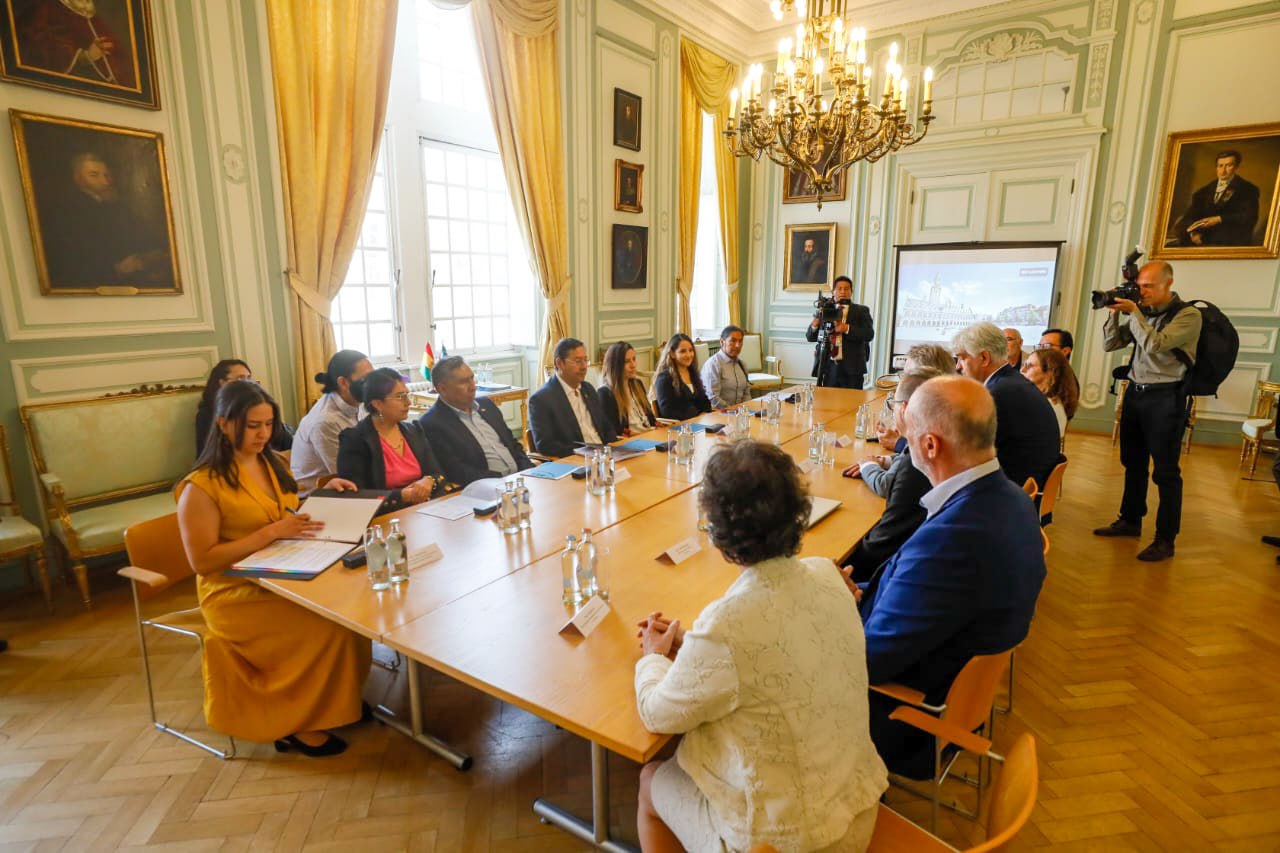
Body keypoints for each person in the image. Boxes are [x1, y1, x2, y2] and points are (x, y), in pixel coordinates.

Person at [635, 441, 887, 853]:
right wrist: (691, 645)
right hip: (857, 812)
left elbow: (658, 714)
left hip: (788, 844)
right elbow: (773, 649)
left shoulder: (728, 624)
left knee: (650, 779)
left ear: (718, 532)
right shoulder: (827, 574)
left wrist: (651, 657)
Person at [851, 376, 1046, 779]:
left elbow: (867, 662)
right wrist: (855, 592)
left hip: (903, 717)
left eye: (909, 431)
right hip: (953, 686)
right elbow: (923, 598)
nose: (903, 440)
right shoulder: (1012, 500)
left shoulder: (954, 539)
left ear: (930, 445)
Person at [175, 381, 371, 757]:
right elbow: (202, 561)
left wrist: (326, 488)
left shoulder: (268, 461)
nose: (263, 434)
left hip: (279, 571)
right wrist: (271, 533)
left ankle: (335, 703)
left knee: (348, 611)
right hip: (233, 592)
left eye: (268, 424)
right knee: (321, 625)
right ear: (223, 423)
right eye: (252, 425)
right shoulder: (200, 487)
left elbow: (286, 505)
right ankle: (297, 723)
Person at [1095, 261, 1202, 562]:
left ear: (1168, 283)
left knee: (1166, 472)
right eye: (1139, 286)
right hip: (1136, 393)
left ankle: (1165, 539)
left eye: (1148, 286)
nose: (1142, 291)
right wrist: (1116, 314)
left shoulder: (1188, 315)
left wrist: (1134, 313)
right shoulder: (1143, 314)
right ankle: (1130, 520)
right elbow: (1109, 345)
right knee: (1133, 462)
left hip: (1165, 397)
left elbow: (1156, 345)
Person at [843, 368, 940, 582]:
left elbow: (881, 545)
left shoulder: (918, 463)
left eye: (892, 405)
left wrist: (840, 566)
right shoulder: (929, 444)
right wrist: (884, 461)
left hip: (886, 575)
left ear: (904, 409)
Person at [951, 322, 1060, 491]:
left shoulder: (997, 393)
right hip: (1027, 486)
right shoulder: (1011, 382)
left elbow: (963, 453)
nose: (958, 366)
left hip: (1009, 494)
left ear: (984, 358)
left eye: (962, 357)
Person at [45, 151, 172, 288]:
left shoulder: (114, 206)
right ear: (77, 178)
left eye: (107, 175)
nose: (105, 181)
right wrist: (118, 269)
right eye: (94, 175)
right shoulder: (69, 211)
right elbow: (74, 258)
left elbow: (143, 235)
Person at [336, 368, 447, 510]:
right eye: (400, 397)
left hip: (425, 509)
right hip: (386, 516)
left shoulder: (413, 430)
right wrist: (402, 496)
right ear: (377, 404)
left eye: (407, 395)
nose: (408, 402)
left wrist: (429, 480)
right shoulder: (354, 440)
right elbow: (355, 497)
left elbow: (438, 473)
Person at [417, 356, 532, 486]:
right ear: (442, 388)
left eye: (472, 378)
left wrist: (529, 471)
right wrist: (502, 479)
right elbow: (456, 470)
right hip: (486, 489)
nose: (472, 386)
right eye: (463, 382)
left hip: (521, 480)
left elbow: (513, 445)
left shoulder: (487, 405)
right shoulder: (432, 423)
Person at [292, 350, 373, 494]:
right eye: (365, 379)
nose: (372, 385)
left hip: (352, 487)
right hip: (317, 498)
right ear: (343, 382)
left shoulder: (359, 402)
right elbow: (348, 474)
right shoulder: (325, 422)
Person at [528, 338, 617, 458]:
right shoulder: (541, 400)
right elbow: (546, 445)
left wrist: (612, 448)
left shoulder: (588, 389)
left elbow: (606, 427)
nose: (584, 366)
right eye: (578, 361)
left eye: (586, 360)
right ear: (560, 363)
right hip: (575, 460)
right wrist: (585, 452)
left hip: (604, 456)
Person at [195, 360, 292, 456]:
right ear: (222, 383)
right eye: (241, 379)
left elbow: (287, 441)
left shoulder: (261, 406)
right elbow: (208, 454)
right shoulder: (207, 414)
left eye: (249, 379)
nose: (247, 384)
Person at [1170, 150, 1261, 247]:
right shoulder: (1202, 192)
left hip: (1230, 243)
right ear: (1216, 167)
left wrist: (1219, 219)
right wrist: (1193, 233)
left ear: (1236, 167)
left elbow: (1249, 218)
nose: (1223, 170)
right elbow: (1189, 217)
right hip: (1199, 240)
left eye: (1228, 165)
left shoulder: (1248, 189)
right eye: (1220, 166)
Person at [806, 276, 874, 389]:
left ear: (851, 292)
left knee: (852, 404)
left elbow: (869, 334)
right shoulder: (826, 309)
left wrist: (846, 328)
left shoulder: (861, 310)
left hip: (853, 369)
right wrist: (815, 323)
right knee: (828, 403)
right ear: (833, 291)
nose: (843, 291)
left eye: (846, 289)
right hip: (829, 367)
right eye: (839, 288)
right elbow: (810, 337)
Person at [598, 341, 658, 437]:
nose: (633, 365)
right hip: (630, 443)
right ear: (615, 365)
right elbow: (613, 432)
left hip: (650, 436)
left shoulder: (638, 384)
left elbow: (651, 419)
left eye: (634, 359)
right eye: (627, 362)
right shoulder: (605, 393)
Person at [652, 334, 713, 421]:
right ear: (672, 354)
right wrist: (696, 417)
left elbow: (704, 402)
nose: (688, 355)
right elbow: (667, 412)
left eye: (691, 350)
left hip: (698, 423)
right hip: (678, 428)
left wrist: (703, 414)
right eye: (683, 351)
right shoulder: (664, 378)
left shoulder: (693, 373)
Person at [1021, 347, 1079, 438]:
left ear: (1050, 371)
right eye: (1023, 365)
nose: (1022, 370)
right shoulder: (1048, 401)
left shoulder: (1047, 405)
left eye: (1029, 366)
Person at [700, 326, 752, 409]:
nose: (737, 345)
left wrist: (747, 410)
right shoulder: (713, 364)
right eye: (733, 341)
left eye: (740, 341)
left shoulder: (742, 364)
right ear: (722, 341)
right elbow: (713, 398)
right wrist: (733, 411)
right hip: (719, 414)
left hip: (740, 414)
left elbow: (746, 392)